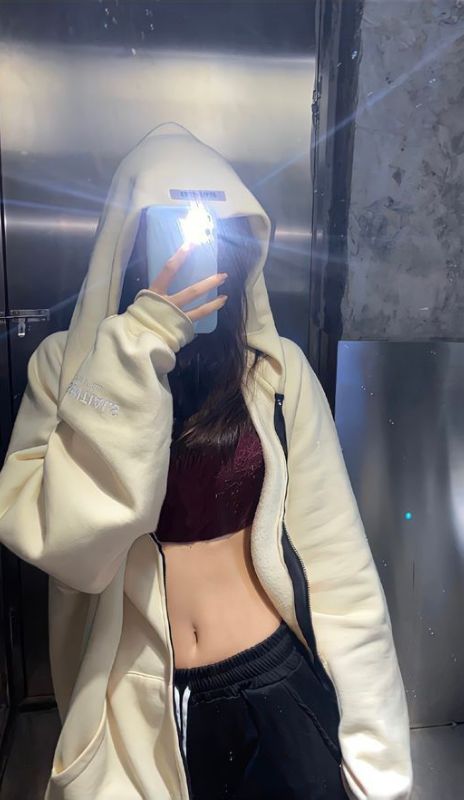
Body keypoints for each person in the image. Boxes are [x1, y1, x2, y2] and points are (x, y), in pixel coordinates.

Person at [0, 123, 412, 800]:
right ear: (129, 243)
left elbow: (339, 564)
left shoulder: (276, 372)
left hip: (274, 686)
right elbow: (74, 552)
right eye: (170, 230)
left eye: (213, 232)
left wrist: (380, 761)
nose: (192, 250)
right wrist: (140, 344)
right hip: (138, 709)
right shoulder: (65, 371)